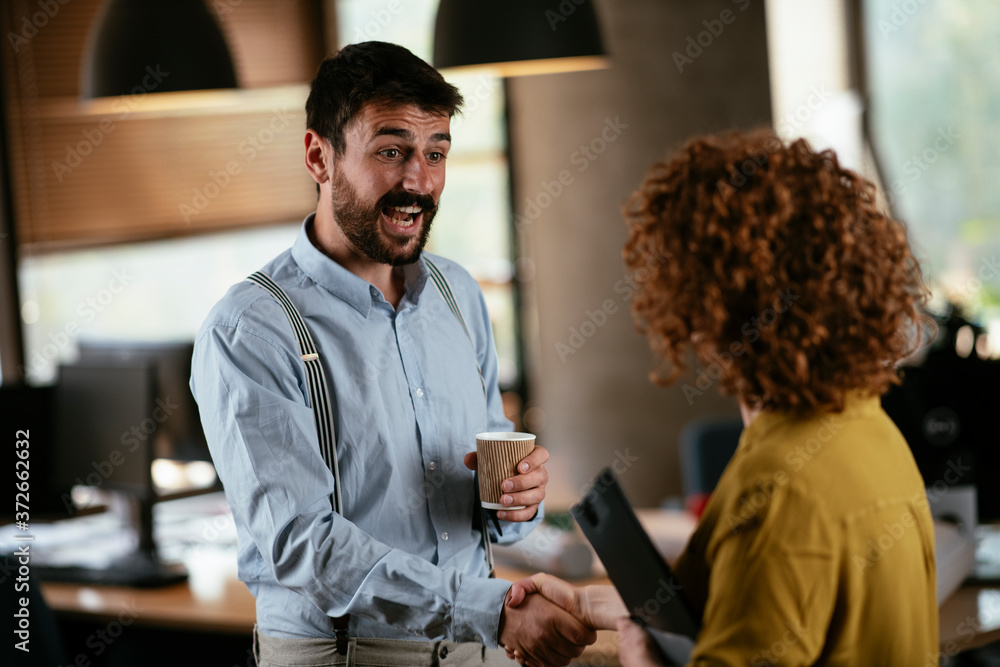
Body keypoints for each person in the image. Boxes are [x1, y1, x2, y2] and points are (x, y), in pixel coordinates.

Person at [191, 41, 595, 667]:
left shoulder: (457, 293)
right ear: (318, 157)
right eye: (391, 151)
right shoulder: (252, 328)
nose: (419, 181)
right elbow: (303, 546)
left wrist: (519, 499)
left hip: (477, 651)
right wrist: (489, 610)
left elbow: (495, 505)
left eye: (436, 154)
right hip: (346, 655)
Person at [507, 129, 939, 666]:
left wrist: (640, 657)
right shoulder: (866, 428)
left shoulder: (779, 488)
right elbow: (737, 605)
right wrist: (589, 602)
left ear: (712, 302)